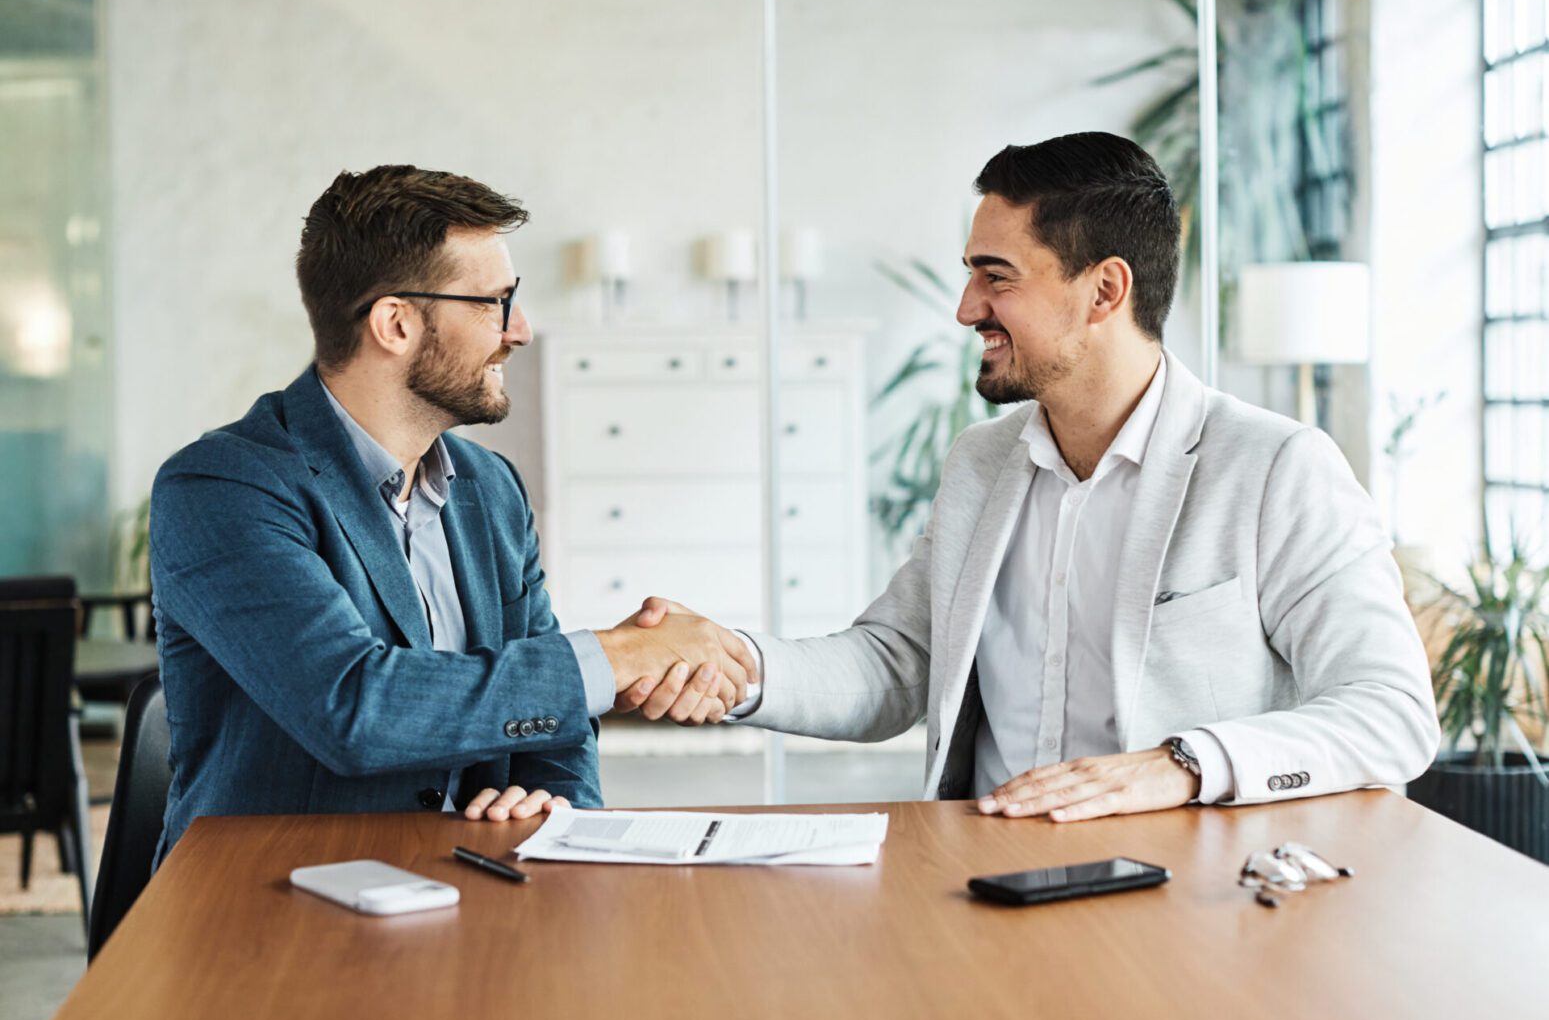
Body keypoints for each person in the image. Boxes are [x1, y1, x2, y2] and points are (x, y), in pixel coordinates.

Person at [634, 132, 1440, 821]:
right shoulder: (982, 461)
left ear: (1104, 290)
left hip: (1180, 898)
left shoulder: (1273, 467)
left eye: (996, 276)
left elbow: (1391, 714)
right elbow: (897, 662)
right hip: (983, 875)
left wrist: (1181, 764)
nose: (964, 308)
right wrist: (734, 661)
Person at [150, 165, 755, 860]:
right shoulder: (223, 487)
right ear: (396, 323)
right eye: (494, 302)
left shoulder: (491, 488)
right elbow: (354, 706)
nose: (519, 330)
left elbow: (559, 729)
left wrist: (551, 806)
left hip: (467, 886)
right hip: (269, 905)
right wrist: (616, 655)